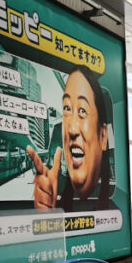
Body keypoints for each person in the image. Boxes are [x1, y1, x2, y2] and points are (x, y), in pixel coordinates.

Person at [27, 65, 113, 211]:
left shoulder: (111, 200)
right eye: (67, 108)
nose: (72, 130)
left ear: (103, 136)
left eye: (82, 110)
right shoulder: (60, 190)